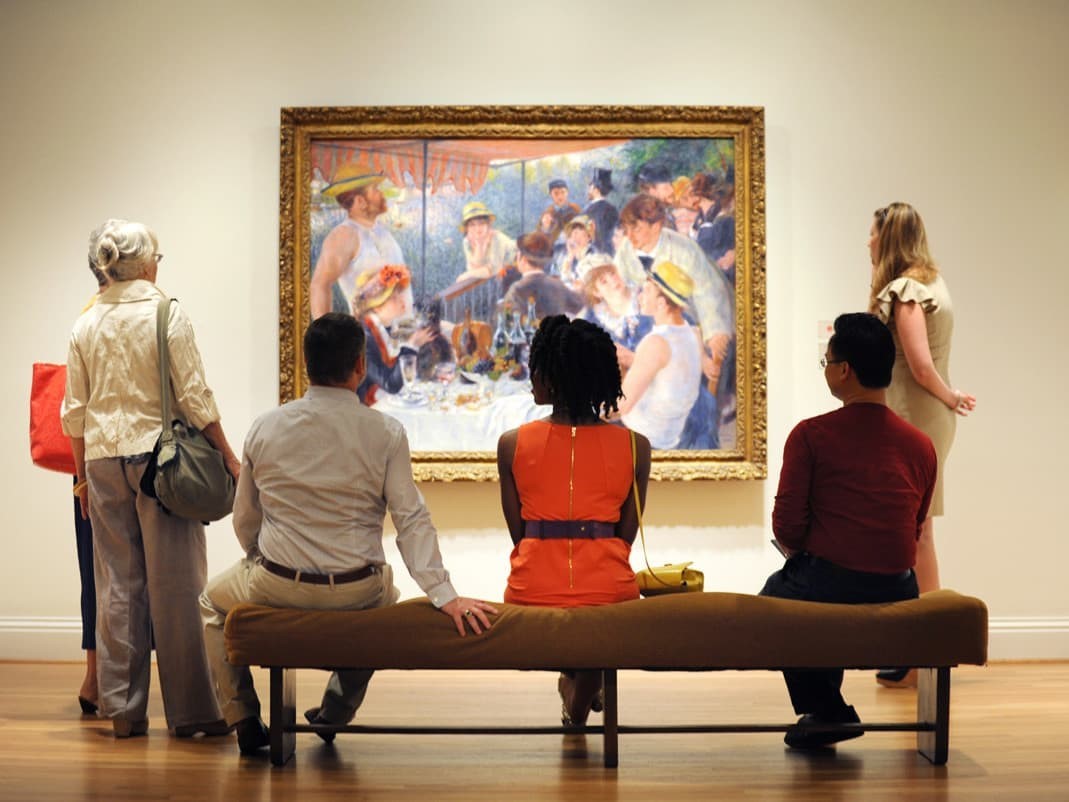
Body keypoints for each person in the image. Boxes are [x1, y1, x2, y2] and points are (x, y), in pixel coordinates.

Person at [201, 313, 498, 755]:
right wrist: (444, 592)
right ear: (360, 365)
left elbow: (245, 517)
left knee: (210, 602)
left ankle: (242, 715)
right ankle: (335, 712)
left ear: (307, 366)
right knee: (388, 595)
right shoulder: (385, 432)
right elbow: (411, 517)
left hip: (277, 584)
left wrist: (258, 559)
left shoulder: (266, 426)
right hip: (358, 590)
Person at [61, 219, 241, 739]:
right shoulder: (167, 312)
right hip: (161, 465)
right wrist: (228, 455)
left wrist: (80, 481)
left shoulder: (85, 323)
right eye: (157, 257)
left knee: (117, 585)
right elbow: (194, 396)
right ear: (145, 263)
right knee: (177, 586)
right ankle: (193, 714)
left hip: (100, 463)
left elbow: (74, 413)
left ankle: (123, 711)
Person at [761, 313, 936, 750]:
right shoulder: (921, 444)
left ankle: (827, 711)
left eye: (827, 360)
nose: (826, 367)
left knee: (781, 599)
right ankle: (826, 711)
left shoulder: (810, 436)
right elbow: (912, 529)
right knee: (818, 581)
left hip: (828, 587)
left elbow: (787, 528)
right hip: (899, 590)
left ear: (844, 371)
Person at [498, 315, 650, 726]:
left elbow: (519, 534)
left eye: (535, 367)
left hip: (531, 591)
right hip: (610, 593)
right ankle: (579, 694)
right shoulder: (637, 446)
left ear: (553, 375)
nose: (529, 377)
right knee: (597, 617)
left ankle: (576, 698)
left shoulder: (512, 444)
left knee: (583, 620)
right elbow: (625, 536)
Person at [868, 202, 976, 687]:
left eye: (872, 235)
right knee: (917, 530)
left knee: (915, 532)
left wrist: (952, 397)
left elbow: (919, 364)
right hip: (923, 415)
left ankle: (922, 653)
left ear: (888, 237)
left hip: (915, 415)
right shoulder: (932, 282)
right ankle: (920, 650)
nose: (867, 243)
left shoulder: (907, 290)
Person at [614, 194, 733, 394]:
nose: (630, 236)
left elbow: (708, 292)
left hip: (692, 318)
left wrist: (714, 332)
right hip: (649, 319)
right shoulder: (626, 251)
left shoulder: (683, 249)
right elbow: (622, 287)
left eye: (637, 229)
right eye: (627, 230)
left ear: (657, 226)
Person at [73, 252, 109, 715]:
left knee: (97, 571)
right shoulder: (89, 318)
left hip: (96, 462)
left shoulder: (86, 316)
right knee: (97, 570)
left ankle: (99, 674)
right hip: (100, 460)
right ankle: (97, 672)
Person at [616, 262, 702, 449]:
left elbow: (619, 407)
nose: (639, 297)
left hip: (640, 439)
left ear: (662, 303)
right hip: (670, 435)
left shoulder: (655, 343)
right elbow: (669, 369)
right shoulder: (692, 334)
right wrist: (631, 358)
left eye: (645, 291)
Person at [310, 168, 404, 319]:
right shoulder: (344, 235)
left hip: (402, 332)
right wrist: (326, 335)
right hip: (370, 335)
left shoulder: (382, 231)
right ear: (360, 201)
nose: (382, 194)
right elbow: (320, 285)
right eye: (375, 190)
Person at [351, 264, 433, 404]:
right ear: (377, 306)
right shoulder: (363, 337)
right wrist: (412, 345)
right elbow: (390, 384)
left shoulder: (383, 329)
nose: (403, 302)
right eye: (394, 298)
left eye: (401, 294)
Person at [579, 262, 652, 370]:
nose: (613, 280)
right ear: (596, 292)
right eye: (604, 281)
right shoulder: (594, 319)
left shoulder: (646, 297)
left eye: (613, 274)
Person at [503, 232, 584, 319]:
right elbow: (580, 305)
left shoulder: (517, 289)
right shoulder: (558, 285)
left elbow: (507, 319)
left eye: (517, 255)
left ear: (523, 259)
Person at [454, 201, 517, 282]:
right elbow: (472, 268)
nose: (477, 229)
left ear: (488, 225)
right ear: (467, 228)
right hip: (503, 277)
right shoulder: (467, 242)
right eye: (472, 225)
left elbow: (494, 270)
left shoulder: (496, 238)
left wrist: (468, 275)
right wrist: (480, 246)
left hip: (519, 268)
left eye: (481, 223)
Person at [583, 167, 619, 255]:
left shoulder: (588, 211)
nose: (588, 190)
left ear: (596, 189)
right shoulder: (612, 209)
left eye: (590, 186)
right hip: (609, 254)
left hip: (593, 255)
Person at [541, 178, 581, 245]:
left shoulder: (575, 209)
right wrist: (545, 228)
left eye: (563, 192)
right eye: (556, 193)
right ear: (550, 194)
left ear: (567, 192)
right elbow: (541, 237)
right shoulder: (548, 212)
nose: (560, 196)